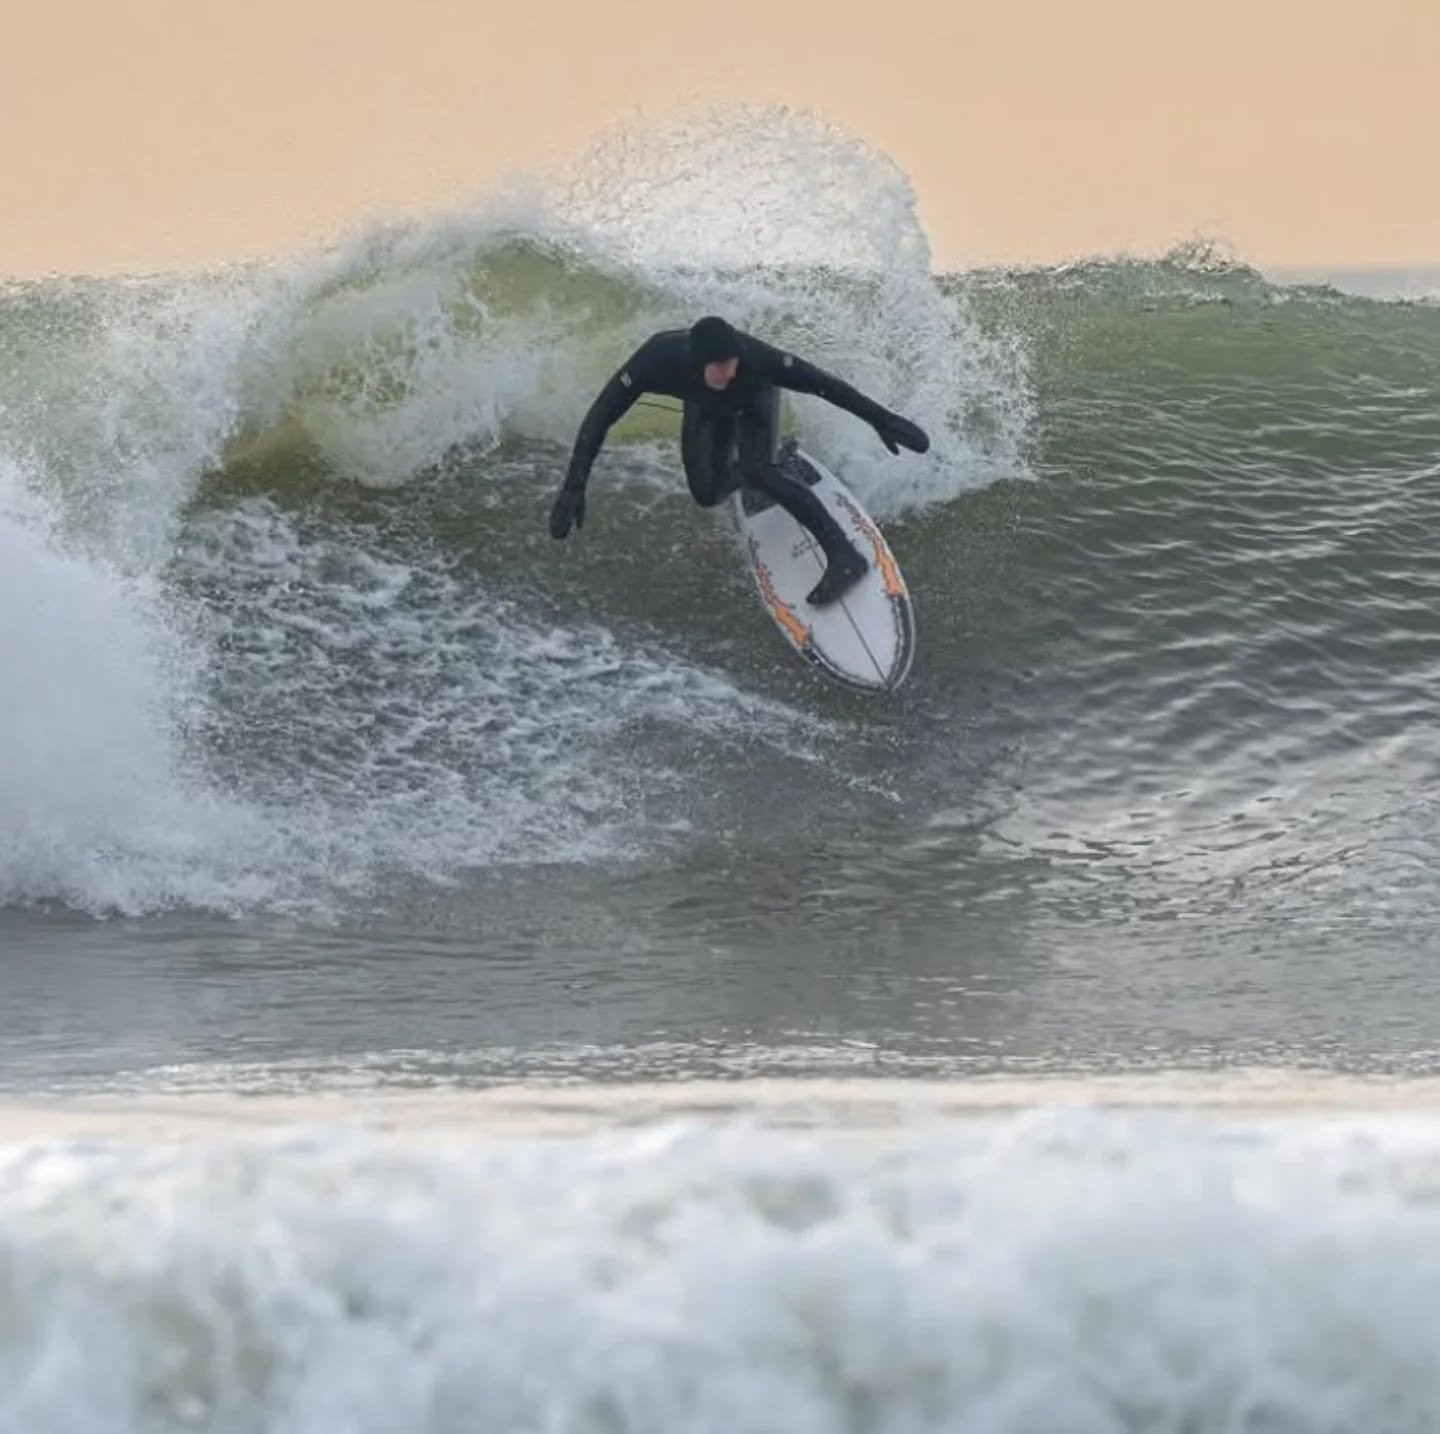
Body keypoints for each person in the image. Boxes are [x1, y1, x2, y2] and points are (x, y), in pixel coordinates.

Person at [548, 316, 930, 606]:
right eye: (721, 365)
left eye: (732, 362)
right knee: (707, 493)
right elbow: (601, 414)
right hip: (705, 405)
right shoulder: (658, 359)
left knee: (757, 469)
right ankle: (774, 466)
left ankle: (844, 556)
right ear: (699, 362)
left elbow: (824, 384)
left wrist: (882, 419)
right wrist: (574, 484)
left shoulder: (754, 361)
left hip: (754, 401)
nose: (730, 371)